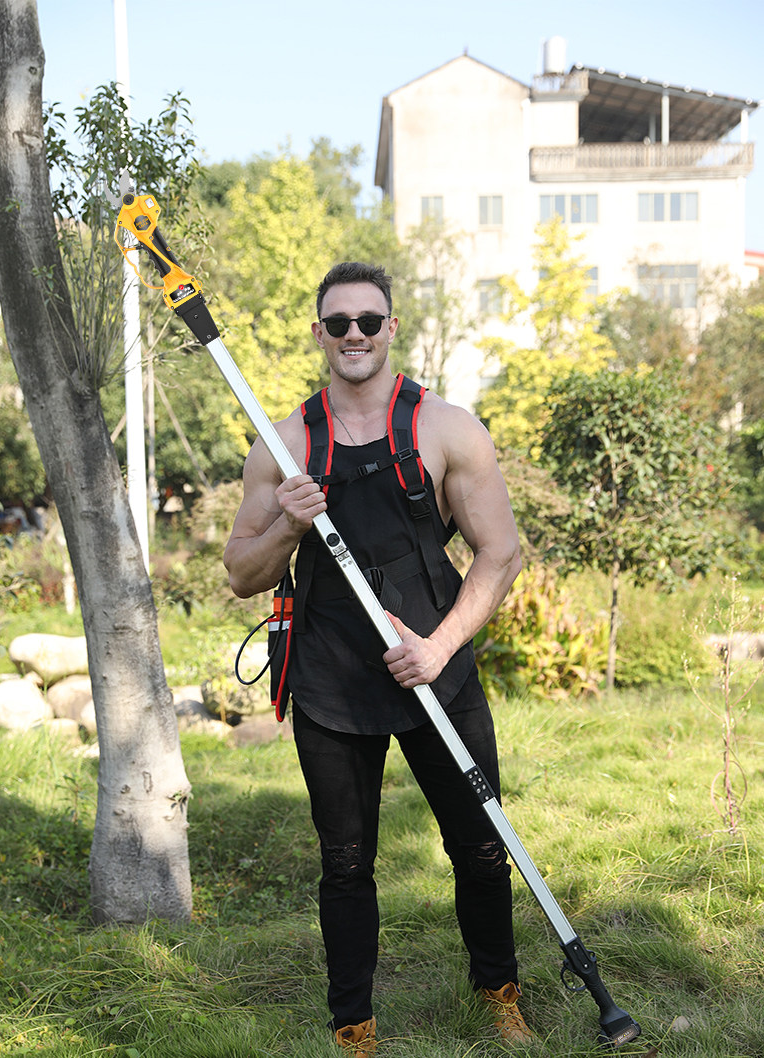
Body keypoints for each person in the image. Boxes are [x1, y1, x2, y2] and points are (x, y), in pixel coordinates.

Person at [223, 262, 533, 1054]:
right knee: (346, 862)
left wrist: (439, 648)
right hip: (331, 676)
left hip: (435, 667)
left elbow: (501, 552)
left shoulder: (447, 428)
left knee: (481, 845)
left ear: (391, 328)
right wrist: (289, 525)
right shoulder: (284, 443)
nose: (354, 334)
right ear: (319, 334)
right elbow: (241, 574)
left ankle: (498, 994)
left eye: (369, 321)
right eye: (339, 323)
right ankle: (352, 1027)